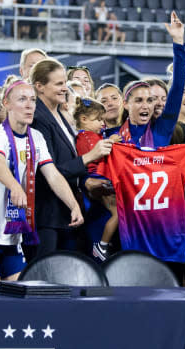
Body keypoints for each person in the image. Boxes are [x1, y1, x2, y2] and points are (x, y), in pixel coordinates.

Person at [0, 80, 84, 285]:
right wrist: (15, 186)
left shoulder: (36, 137)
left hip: (12, 237)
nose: (29, 105)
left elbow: (52, 174)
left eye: (33, 100)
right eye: (22, 99)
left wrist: (73, 205)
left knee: (18, 301)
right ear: (6, 103)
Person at [29, 58, 111, 257]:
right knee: (45, 276)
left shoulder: (58, 113)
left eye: (64, 82)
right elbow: (49, 171)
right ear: (39, 86)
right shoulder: (38, 119)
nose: (64, 88)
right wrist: (91, 156)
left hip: (65, 213)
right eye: (58, 83)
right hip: (47, 215)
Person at [116, 12, 185, 148]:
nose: (146, 105)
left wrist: (178, 42)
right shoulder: (112, 135)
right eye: (139, 100)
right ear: (125, 104)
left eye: (149, 100)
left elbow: (177, 87)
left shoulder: (161, 130)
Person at [74, 97, 120, 260]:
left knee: (116, 212)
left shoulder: (90, 135)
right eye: (98, 120)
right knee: (117, 213)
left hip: (98, 177)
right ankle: (102, 245)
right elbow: (96, 155)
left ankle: (103, 244)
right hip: (96, 177)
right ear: (84, 119)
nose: (103, 124)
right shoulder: (86, 136)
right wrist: (111, 142)